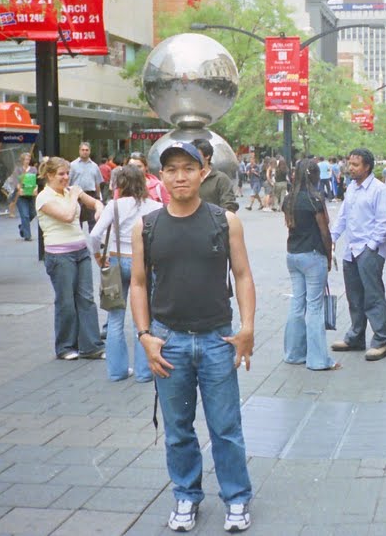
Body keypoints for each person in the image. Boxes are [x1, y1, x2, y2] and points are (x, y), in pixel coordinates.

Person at [129, 141, 256, 534]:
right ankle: (186, 495)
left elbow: (243, 275)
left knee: (225, 427)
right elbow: (137, 283)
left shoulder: (224, 220)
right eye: (171, 169)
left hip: (218, 339)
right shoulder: (146, 226)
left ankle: (236, 498)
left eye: (188, 168)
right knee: (179, 429)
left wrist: (247, 327)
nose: (180, 176)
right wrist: (144, 335)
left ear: (203, 173)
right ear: (160, 176)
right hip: (169, 342)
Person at [88, 165, 161, 382]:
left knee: (115, 318)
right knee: (144, 318)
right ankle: (144, 371)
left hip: (116, 259)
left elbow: (94, 235)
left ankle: (117, 371)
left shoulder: (115, 206)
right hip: (144, 264)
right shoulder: (156, 206)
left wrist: (98, 256)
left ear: (120, 184)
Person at [36, 156, 105, 361]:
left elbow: (96, 203)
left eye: (67, 174)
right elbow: (66, 216)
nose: (66, 178)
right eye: (61, 174)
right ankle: (65, 346)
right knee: (66, 301)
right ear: (49, 176)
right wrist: (75, 196)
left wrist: (99, 209)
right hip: (59, 255)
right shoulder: (44, 197)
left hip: (81, 251)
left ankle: (91, 346)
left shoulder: (70, 191)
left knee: (86, 299)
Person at [329, 148, 386, 361]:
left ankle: (381, 340)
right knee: (354, 296)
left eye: (355, 165)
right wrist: (332, 237)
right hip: (350, 251)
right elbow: (343, 216)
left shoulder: (379, 190)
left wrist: (371, 247)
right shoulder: (351, 189)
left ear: (367, 167)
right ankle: (356, 336)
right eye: (350, 164)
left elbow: (385, 223)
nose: (351, 168)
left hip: (368, 251)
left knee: (373, 296)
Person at [282, 158, 339, 371]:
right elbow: (325, 231)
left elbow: (290, 225)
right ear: (315, 175)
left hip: (293, 255)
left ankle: (293, 353)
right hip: (313, 255)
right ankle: (318, 360)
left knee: (298, 303)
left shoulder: (289, 200)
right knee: (314, 307)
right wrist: (328, 255)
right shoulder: (315, 200)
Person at [193, 139, 239, 212]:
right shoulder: (187, 178)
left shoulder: (221, 179)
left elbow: (229, 207)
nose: (193, 158)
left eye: (196, 154)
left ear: (207, 156)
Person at [69, 141, 104, 230]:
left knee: (93, 221)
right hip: (77, 196)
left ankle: (94, 243)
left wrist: (98, 197)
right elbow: (68, 182)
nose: (85, 152)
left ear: (90, 151)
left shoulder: (95, 166)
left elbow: (97, 183)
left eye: (87, 150)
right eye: (83, 150)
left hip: (90, 195)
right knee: (77, 222)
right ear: (79, 151)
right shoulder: (72, 165)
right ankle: (79, 243)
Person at [13, 152, 38, 241]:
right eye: (26, 159)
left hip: (31, 195)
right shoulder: (18, 170)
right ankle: (27, 236)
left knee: (32, 213)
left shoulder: (34, 169)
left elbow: (36, 181)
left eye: (29, 159)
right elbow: (15, 181)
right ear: (22, 160)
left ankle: (22, 226)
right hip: (21, 196)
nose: (28, 161)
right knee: (25, 215)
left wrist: (36, 188)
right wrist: (19, 188)